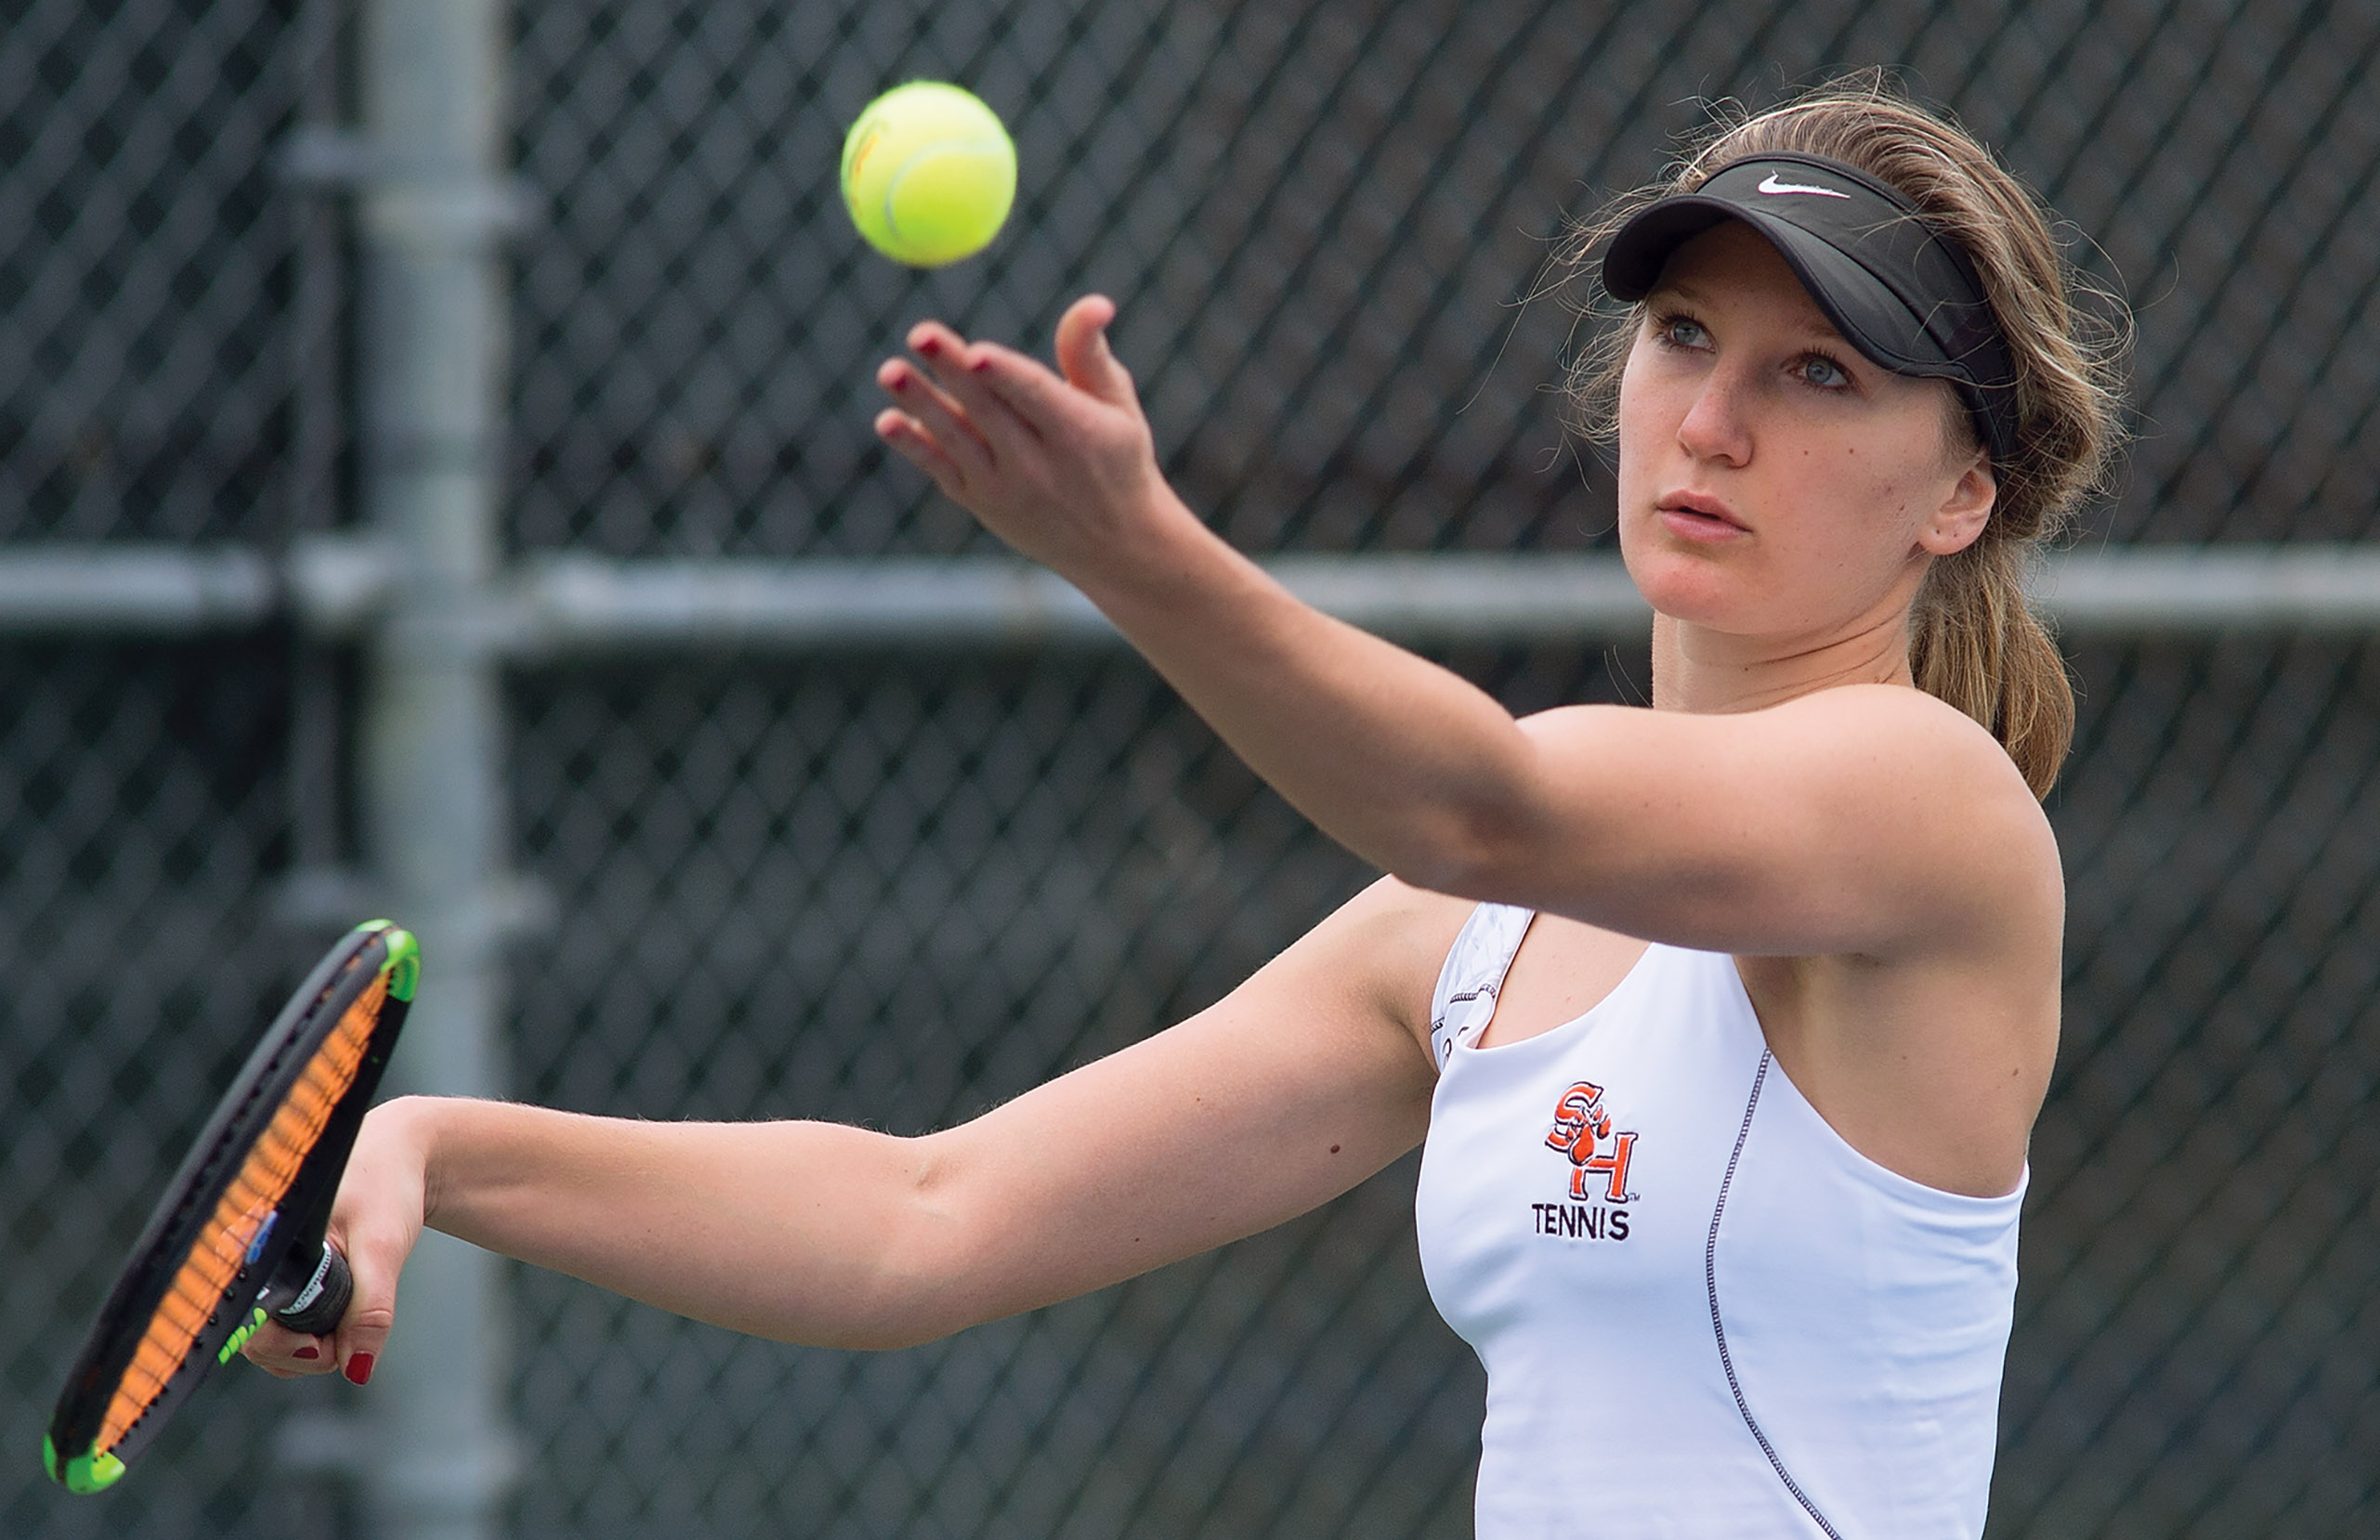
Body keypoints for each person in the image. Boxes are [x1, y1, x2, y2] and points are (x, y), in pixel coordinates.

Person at [246, 76, 2125, 1537]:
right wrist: (441, 1148)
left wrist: (1138, 554)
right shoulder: (1467, 950)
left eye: (1820, 374)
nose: (1714, 422)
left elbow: (1478, 801)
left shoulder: (1928, 810)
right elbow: (928, 1219)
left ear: (1962, 494)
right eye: (1687, 341)